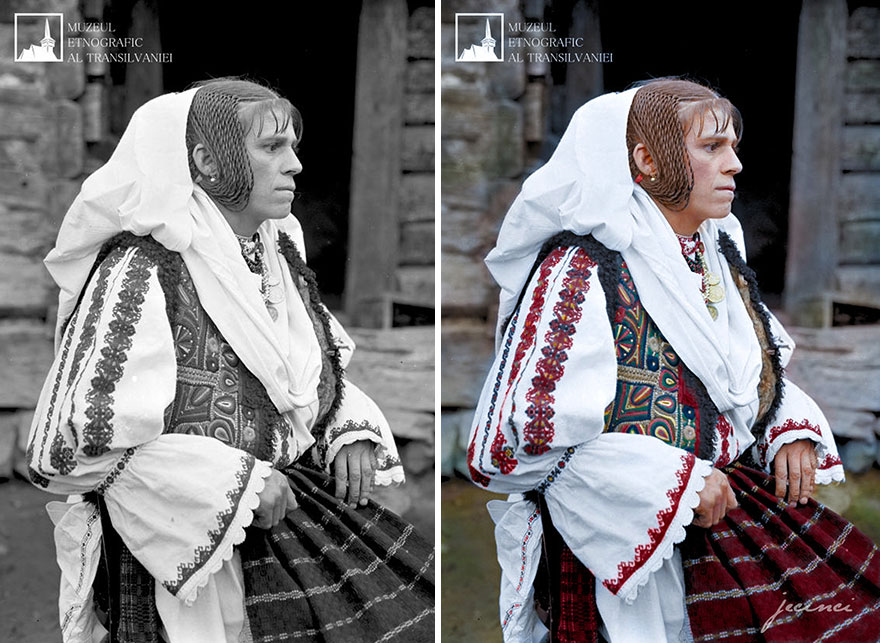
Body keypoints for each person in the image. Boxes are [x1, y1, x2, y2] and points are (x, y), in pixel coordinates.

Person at [467, 78, 880, 642]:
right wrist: (670, 482)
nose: (734, 165)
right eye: (712, 148)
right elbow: (511, 448)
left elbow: (746, 371)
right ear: (648, 160)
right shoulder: (584, 269)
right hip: (627, 554)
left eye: (733, 146)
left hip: (729, 520)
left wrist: (785, 426)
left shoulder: (715, 254)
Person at [27, 78, 434, 643]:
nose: (294, 165)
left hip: (288, 525)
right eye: (271, 148)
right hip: (188, 562)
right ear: (207, 161)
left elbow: (303, 369)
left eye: (293, 146)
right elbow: (66, 451)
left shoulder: (275, 252)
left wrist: (345, 424)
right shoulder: (144, 268)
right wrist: (229, 483)